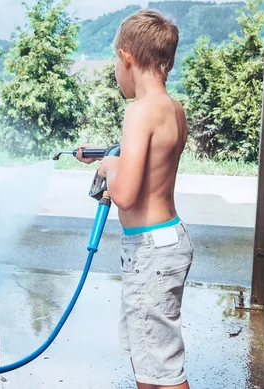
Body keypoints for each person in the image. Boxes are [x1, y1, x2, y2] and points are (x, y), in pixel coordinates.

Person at [76, 9, 194, 389]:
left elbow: (125, 195)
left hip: (150, 253)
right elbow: (155, 167)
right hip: (168, 241)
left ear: (127, 57)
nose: (115, 68)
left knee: (163, 370)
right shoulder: (174, 109)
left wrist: (109, 168)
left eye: (115, 59)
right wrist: (114, 159)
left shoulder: (138, 112)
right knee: (148, 361)